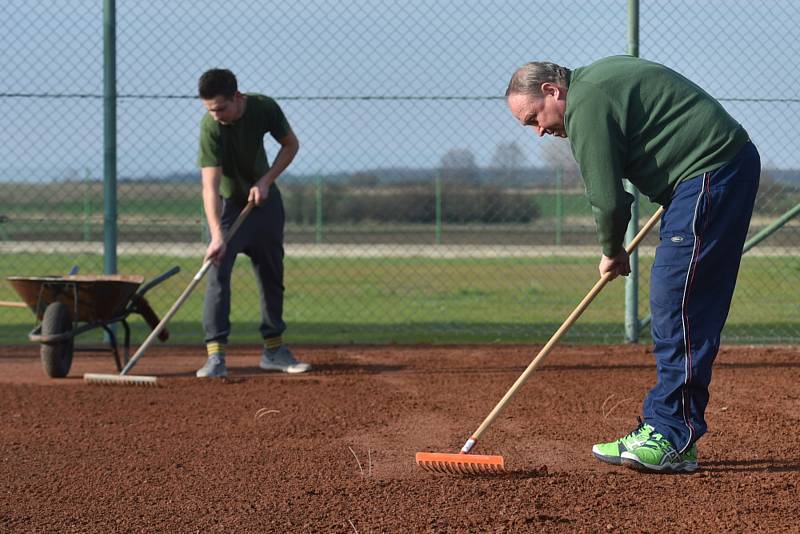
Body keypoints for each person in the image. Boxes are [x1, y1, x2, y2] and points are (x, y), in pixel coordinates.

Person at [506, 56, 760, 472]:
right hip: (706, 174)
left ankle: (672, 434)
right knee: (678, 299)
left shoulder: (585, 103)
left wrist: (611, 249)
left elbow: (607, 197)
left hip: (709, 172)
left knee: (678, 302)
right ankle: (670, 429)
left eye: (534, 117)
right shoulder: (596, 83)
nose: (539, 131)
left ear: (553, 91)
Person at [195, 68, 311, 377]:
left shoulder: (264, 107)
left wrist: (266, 180)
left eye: (220, 108)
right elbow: (210, 186)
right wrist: (216, 235)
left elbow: (291, 144)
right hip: (229, 207)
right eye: (210, 109)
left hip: (264, 204)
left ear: (238, 97)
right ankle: (216, 357)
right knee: (218, 275)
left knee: (271, 273)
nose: (216, 115)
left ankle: (274, 350)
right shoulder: (211, 128)